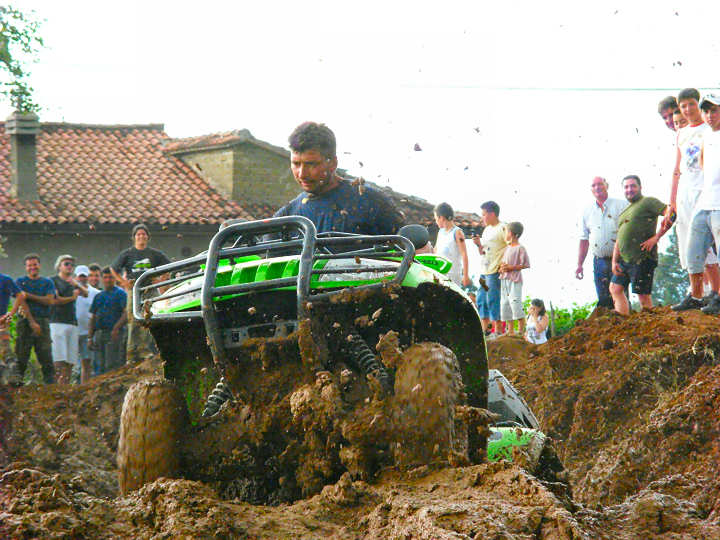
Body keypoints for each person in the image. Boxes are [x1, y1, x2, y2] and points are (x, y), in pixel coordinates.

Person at [273, 122, 405, 235]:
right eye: (296, 164)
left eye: (311, 164)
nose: (302, 174)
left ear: (333, 163)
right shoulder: (285, 219)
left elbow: (412, 251)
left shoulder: (371, 202)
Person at [668, 88, 720, 298]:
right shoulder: (682, 132)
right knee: (690, 247)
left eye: (691, 104)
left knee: (708, 249)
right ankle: (699, 294)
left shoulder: (709, 130)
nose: (688, 109)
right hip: (686, 195)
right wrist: (671, 201)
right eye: (683, 106)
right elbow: (677, 168)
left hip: (707, 195)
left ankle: (715, 291)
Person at [610, 175, 674, 315]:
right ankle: (622, 319)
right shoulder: (624, 213)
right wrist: (614, 260)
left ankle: (653, 329)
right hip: (624, 260)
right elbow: (619, 239)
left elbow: (671, 214)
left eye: (633, 186)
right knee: (615, 288)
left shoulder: (648, 202)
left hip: (643, 257)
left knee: (643, 297)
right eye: (626, 187)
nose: (629, 189)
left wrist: (656, 238)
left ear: (640, 187)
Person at [111, 224, 170, 363]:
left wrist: (161, 280)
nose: (141, 237)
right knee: (133, 319)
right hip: (134, 290)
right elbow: (113, 269)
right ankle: (131, 354)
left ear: (148, 237)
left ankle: (144, 350)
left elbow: (168, 266)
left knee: (148, 318)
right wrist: (123, 282)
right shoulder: (127, 254)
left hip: (150, 289)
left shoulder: (154, 254)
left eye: (144, 234)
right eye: (138, 234)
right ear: (134, 237)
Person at [576, 176, 629, 309]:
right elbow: (584, 239)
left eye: (600, 184)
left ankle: (626, 326)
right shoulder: (587, 211)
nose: (597, 187)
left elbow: (630, 231)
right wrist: (579, 264)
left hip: (619, 259)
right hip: (599, 261)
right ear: (591, 189)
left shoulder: (622, 205)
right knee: (604, 300)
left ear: (607, 186)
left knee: (620, 295)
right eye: (594, 185)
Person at [14, 254, 56, 384]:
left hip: (43, 321)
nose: (33, 267)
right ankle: (17, 386)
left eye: (35, 264)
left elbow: (49, 300)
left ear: (39, 265)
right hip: (25, 321)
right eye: (29, 265)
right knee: (21, 356)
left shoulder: (47, 282)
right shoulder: (20, 281)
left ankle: (50, 387)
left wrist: (28, 295)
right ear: (26, 267)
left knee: (46, 356)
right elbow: (21, 302)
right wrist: (32, 322)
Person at [472, 201, 508, 338]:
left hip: (495, 270)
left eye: (484, 214)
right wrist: (478, 245)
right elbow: (484, 252)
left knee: (493, 298)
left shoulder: (503, 227)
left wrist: (505, 264)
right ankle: (484, 330)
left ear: (492, 214)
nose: (482, 218)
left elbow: (511, 246)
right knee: (481, 299)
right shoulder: (486, 230)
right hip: (484, 271)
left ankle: (498, 330)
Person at [49, 255, 87, 384]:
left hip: (72, 323)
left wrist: (77, 284)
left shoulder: (73, 283)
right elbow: (55, 300)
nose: (69, 266)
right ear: (59, 266)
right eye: (66, 264)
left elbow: (86, 293)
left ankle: (65, 389)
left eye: (72, 265)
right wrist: (72, 298)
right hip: (57, 322)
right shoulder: (53, 281)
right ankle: (55, 389)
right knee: (59, 360)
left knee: (70, 361)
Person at [88, 268, 128, 375]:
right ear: (102, 279)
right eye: (105, 277)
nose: (108, 280)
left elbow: (126, 313)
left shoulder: (121, 294)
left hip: (114, 334)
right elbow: (93, 317)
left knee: (112, 365)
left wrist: (116, 328)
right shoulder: (99, 296)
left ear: (115, 278)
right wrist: (90, 337)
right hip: (100, 334)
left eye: (110, 277)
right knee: (98, 365)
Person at [498, 222, 530, 336]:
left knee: (515, 301)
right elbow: (503, 263)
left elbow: (525, 264)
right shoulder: (507, 248)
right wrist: (502, 268)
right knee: (505, 303)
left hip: (515, 279)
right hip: (504, 278)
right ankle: (510, 330)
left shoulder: (520, 248)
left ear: (511, 233)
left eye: (506, 231)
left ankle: (521, 330)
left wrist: (511, 268)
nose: (505, 234)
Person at [433, 202, 471, 287]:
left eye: (436, 219)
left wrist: (465, 276)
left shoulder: (457, 233)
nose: (436, 222)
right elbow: (435, 250)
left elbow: (464, 254)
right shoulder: (440, 232)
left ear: (441, 218)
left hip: (453, 276)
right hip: (440, 273)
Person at [74, 264, 99, 383]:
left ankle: (84, 388)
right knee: (69, 364)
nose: (81, 279)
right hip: (73, 332)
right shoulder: (70, 292)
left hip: (87, 333)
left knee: (86, 363)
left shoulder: (95, 293)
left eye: (84, 276)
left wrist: (91, 334)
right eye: (79, 277)